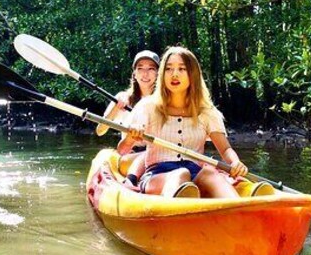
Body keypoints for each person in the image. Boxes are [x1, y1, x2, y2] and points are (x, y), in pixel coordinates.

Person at [118, 46, 248, 198]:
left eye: (182, 69)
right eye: (168, 69)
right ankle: (176, 205)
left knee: (211, 173)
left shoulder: (207, 112)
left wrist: (235, 162)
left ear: (192, 74)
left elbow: (225, 149)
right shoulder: (147, 106)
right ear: (162, 74)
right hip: (157, 175)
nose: (174, 74)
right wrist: (131, 137)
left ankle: (236, 208)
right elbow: (122, 150)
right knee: (181, 174)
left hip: (196, 173)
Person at [96, 50, 160, 185]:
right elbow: (100, 131)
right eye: (140, 68)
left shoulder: (164, 102)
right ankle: (132, 180)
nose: (145, 74)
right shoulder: (123, 98)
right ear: (134, 74)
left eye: (151, 69)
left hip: (159, 154)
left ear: (158, 74)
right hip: (130, 156)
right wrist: (115, 107)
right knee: (149, 156)